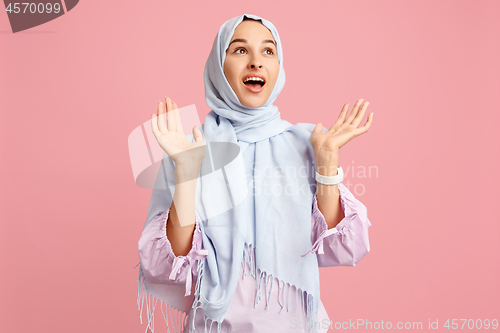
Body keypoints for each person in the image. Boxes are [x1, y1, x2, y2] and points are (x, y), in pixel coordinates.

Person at [136, 14, 373, 333]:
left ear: (279, 67)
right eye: (239, 50)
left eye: (268, 51)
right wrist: (188, 172)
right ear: (219, 67)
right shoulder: (190, 148)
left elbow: (344, 249)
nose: (256, 63)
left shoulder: (307, 144)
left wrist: (327, 162)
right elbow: (167, 266)